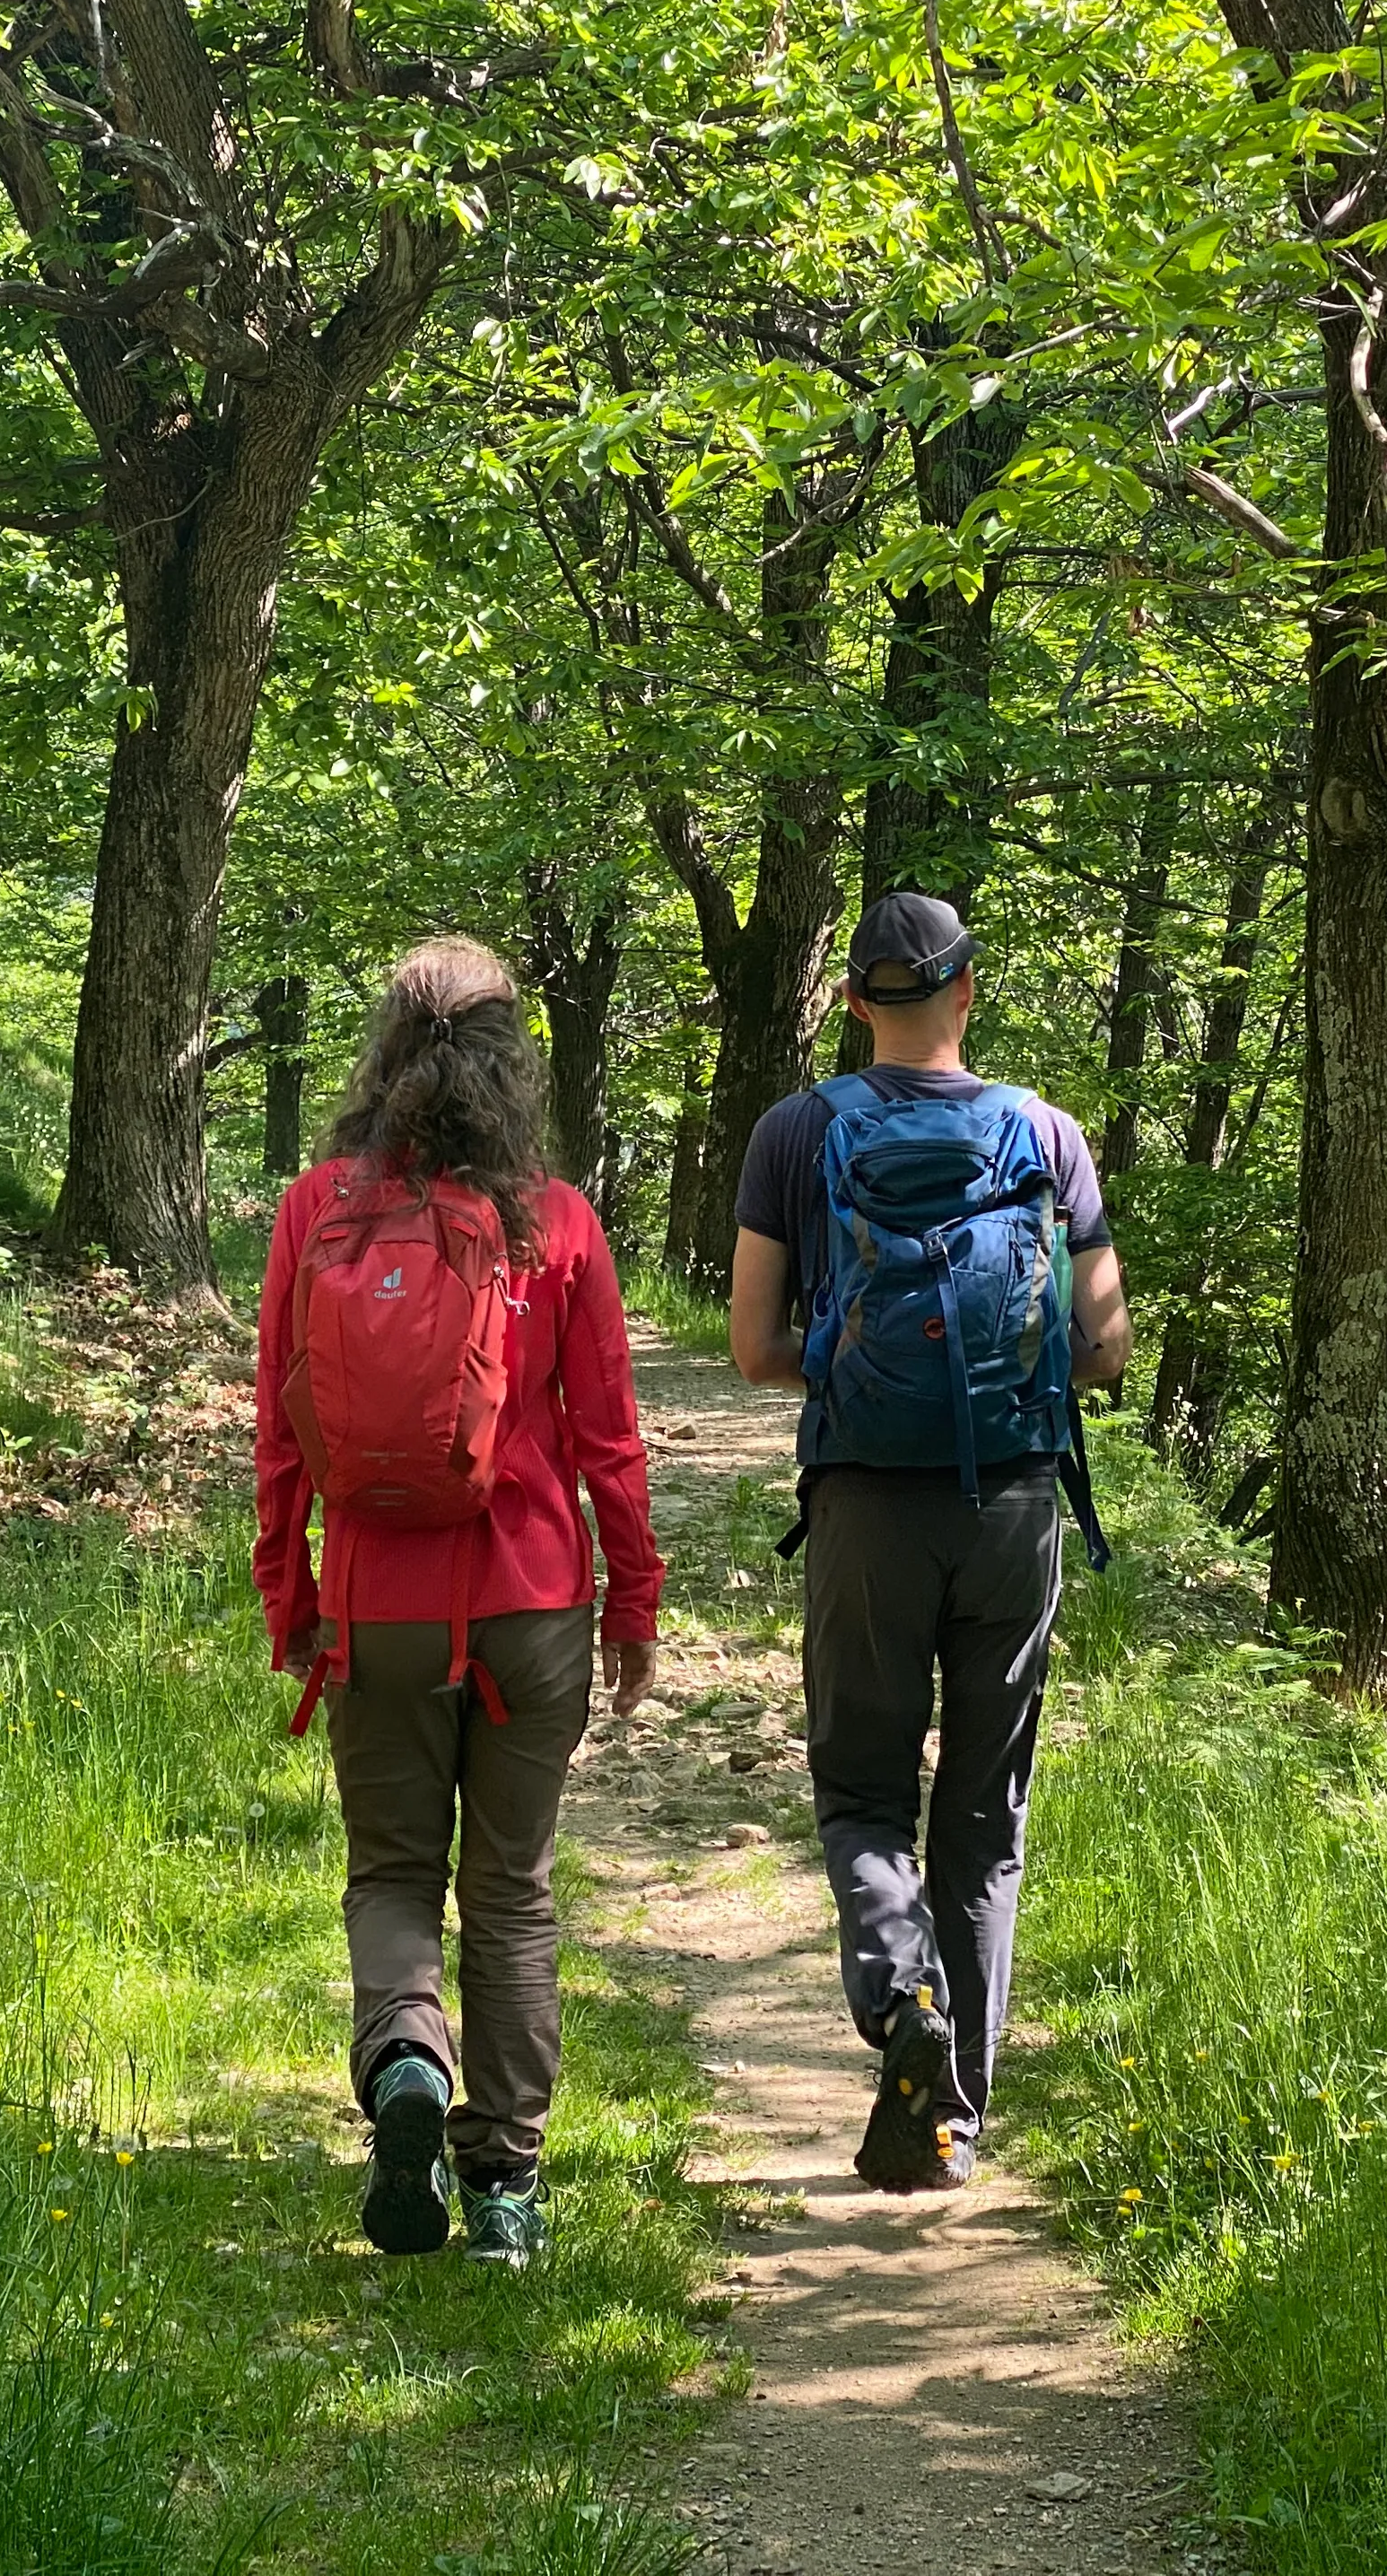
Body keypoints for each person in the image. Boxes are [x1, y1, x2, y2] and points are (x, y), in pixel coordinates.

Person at [254, 938, 662, 2267]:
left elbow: (276, 1434)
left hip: (378, 1610)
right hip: (533, 1603)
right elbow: (609, 1439)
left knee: (390, 1872)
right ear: (511, 1060)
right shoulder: (558, 1220)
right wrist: (633, 1606)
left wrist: (291, 1595)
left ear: (383, 1046)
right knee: (514, 1894)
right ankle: (503, 2191)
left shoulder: (317, 1209)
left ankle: (409, 2065)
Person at [726, 891, 1131, 2190]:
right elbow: (1106, 1344)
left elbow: (748, 1348)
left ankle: (903, 2000)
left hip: (862, 1507)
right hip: (1013, 1509)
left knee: (860, 1792)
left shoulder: (798, 1132)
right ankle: (952, 2123)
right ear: (969, 990)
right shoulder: (1047, 1133)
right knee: (983, 1817)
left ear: (855, 1004)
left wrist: (855, 1383)